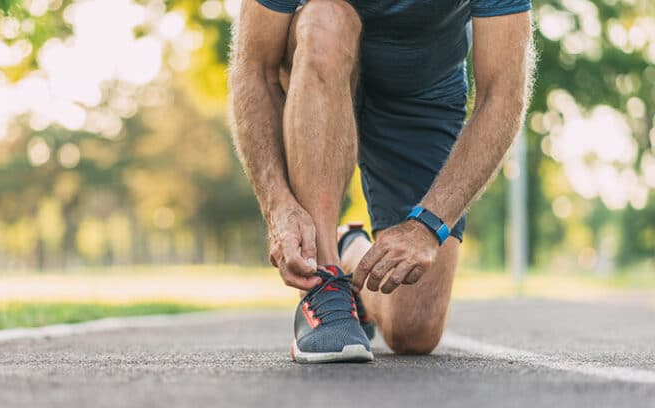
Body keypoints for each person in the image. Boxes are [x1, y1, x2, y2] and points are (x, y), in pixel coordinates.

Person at [228, 0, 535, 363]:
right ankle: (325, 280)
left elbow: (502, 94)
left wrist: (428, 225)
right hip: (318, 62)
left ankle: (349, 251)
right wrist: (276, 202)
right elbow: (253, 68)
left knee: (415, 330)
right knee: (327, 18)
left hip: (422, 95)